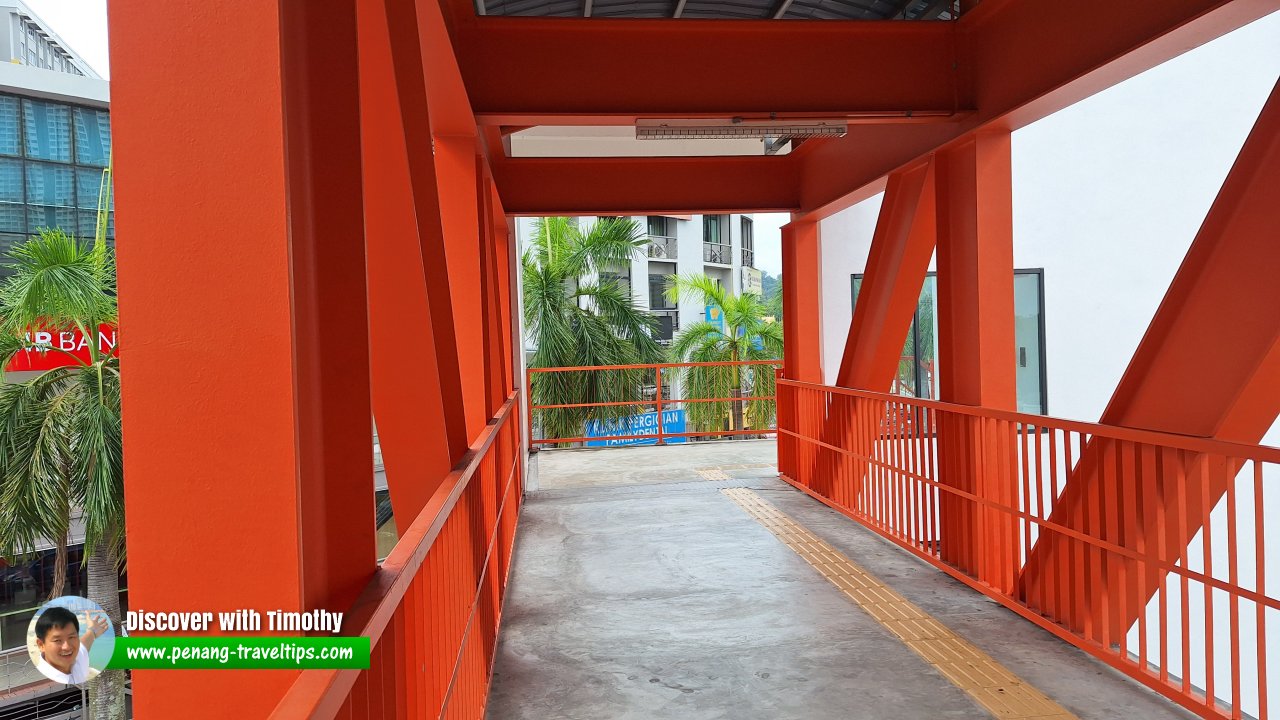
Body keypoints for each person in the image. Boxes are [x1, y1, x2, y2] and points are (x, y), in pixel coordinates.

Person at [33, 606, 108, 685]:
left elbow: (83, 645)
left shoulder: (76, 657)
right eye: (57, 640)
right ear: (41, 645)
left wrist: (92, 631)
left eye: (71, 637)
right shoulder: (44, 683)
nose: (67, 647)